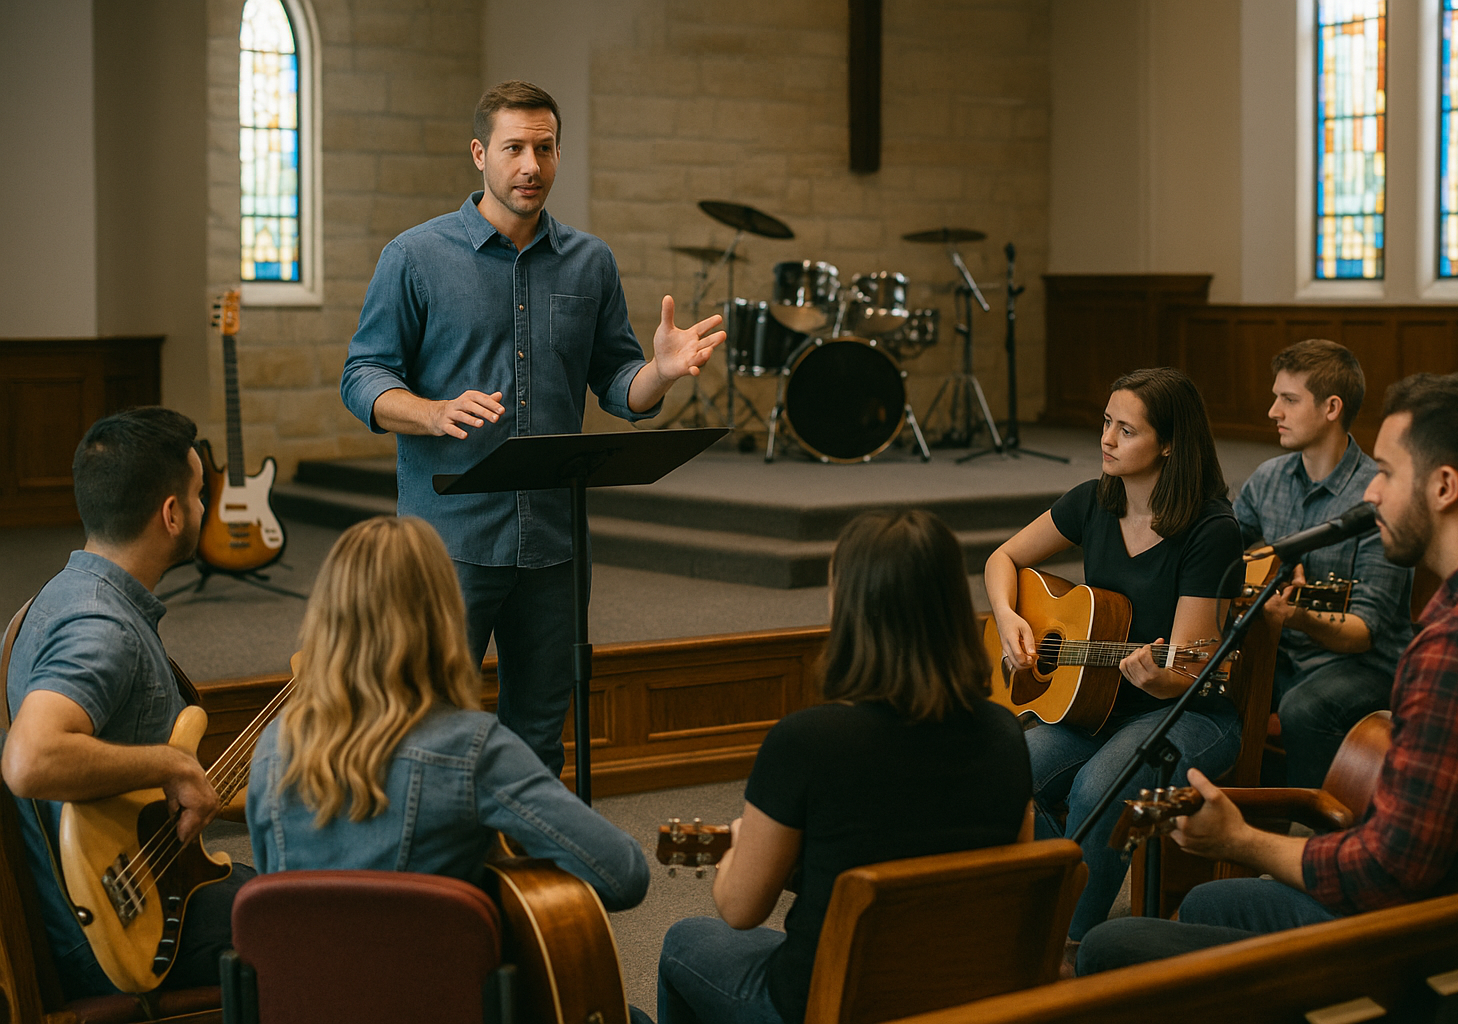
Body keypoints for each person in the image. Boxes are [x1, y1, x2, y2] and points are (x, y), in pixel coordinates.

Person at [1077, 371, 1458, 974]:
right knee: (1211, 899)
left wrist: (1240, 839)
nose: (1371, 494)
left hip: (1433, 940)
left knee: (1112, 946)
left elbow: (1384, 874)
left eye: (1390, 474)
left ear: (1445, 486)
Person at [339, 79, 726, 776]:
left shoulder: (590, 261)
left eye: (544, 149)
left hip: (552, 541)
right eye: (514, 148)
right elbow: (363, 376)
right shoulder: (414, 256)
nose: (531, 166)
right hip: (448, 541)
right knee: (431, 733)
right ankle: (441, 881)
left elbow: (618, 386)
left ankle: (530, 882)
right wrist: (432, 412)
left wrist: (660, 374)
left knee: (539, 739)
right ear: (480, 153)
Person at [657, 510, 1033, 1024]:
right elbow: (1009, 874)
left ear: (854, 610)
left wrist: (738, 852)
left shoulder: (806, 742)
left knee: (685, 940)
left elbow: (741, 911)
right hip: (959, 994)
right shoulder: (1006, 735)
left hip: (832, 1002)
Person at [245, 515, 648, 911]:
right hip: (434, 977)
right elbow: (624, 875)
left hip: (302, 978)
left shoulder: (272, 748)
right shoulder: (474, 749)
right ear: (443, 613)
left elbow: (278, 903)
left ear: (325, 619)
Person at [984, 366, 1244, 960]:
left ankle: (1069, 941)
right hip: (1097, 704)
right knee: (1001, 774)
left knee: (1099, 788)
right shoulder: (1095, 500)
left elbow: (1187, 669)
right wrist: (1008, 616)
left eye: (1126, 430)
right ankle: (1037, 905)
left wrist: (1163, 675)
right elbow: (1004, 557)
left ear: (1170, 443)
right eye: (1107, 422)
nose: (1106, 439)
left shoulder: (1211, 530)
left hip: (1187, 713)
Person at [2, 407, 253, 999]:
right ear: (171, 514)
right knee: (337, 927)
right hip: (111, 941)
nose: (201, 507)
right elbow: (29, 760)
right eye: (197, 494)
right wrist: (171, 765)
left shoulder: (60, 595)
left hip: (132, 890)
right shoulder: (100, 626)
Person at [1234, 340, 1414, 788]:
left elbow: (1364, 632)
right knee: (1212, 678)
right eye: (1276, 397)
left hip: (1363, 663)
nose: (1273, 411)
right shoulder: (1269, 478)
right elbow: (1219, 554)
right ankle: (1234, 815)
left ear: (1332, 407)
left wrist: (1295, 616)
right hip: (1281, 650)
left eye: (1288, 400)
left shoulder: (1376, 494)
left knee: (1304, 707)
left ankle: (1314, 830)